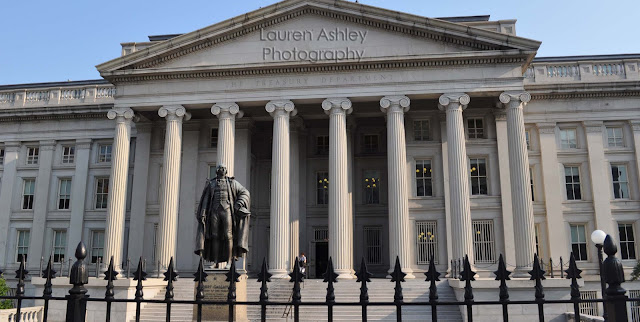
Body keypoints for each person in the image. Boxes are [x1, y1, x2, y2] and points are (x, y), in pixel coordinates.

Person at [195, 164, 251, 269]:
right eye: (220, 168)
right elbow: (206, 199)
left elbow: (245, 192)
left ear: (226, 171)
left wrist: (238, 203)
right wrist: (203, 212)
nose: (222, 170)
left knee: (228, 235)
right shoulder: (211, 184)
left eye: (224, 169)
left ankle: (229, 262)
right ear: (216, 171)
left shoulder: (232, 183)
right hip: (214, 211)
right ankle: (215, 262)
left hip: (227, 210)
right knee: (214, 235)